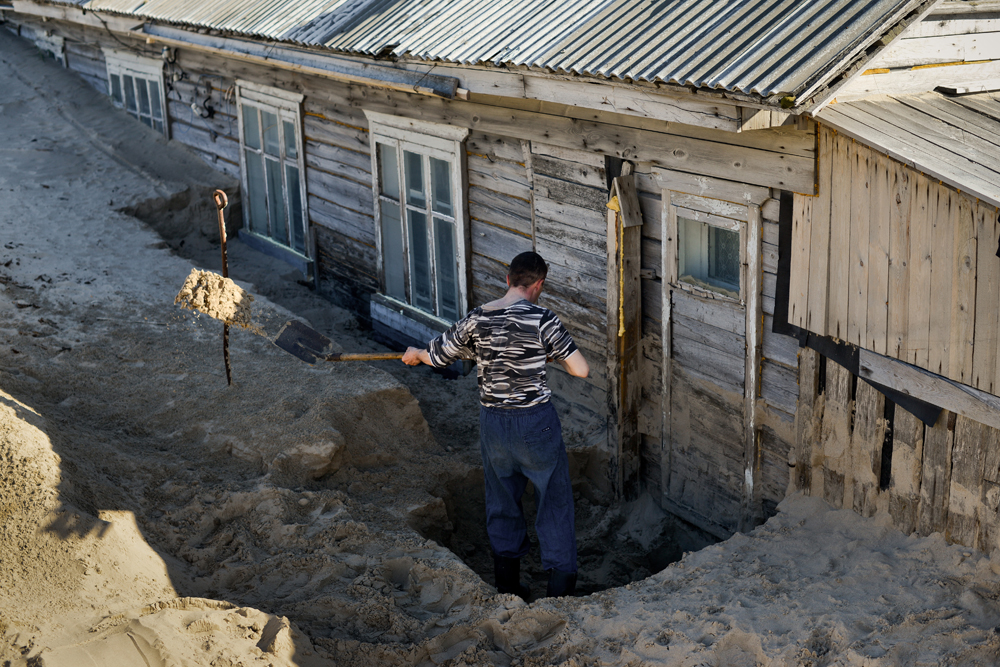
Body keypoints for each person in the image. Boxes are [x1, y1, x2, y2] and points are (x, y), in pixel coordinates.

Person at [402, 251, 589, 599]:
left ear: (507, 279)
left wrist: (416, 353)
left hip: (494, 424)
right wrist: (549, 355)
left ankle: (508, 587)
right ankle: (560, 594)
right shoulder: (544, 319)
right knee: (554, 500)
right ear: (539, 284)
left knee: (502, 499)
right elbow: (581, 370)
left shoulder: (478, 318)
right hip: (536, 423)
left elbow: (437, 356)